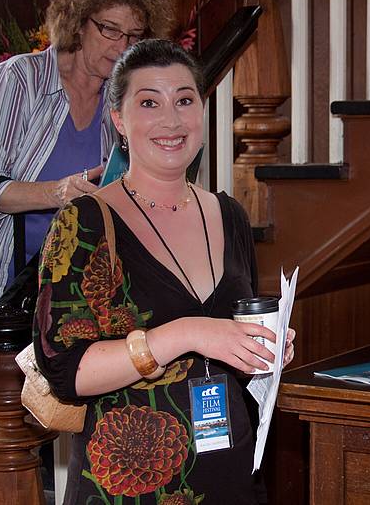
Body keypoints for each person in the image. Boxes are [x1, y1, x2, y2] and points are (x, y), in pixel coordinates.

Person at [33, 39, 296, 504]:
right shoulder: (86, 221)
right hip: (128, 485)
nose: (171, 120)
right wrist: (188, 332)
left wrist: (261, 348)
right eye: (149, 102)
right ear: (119, 120)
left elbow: (231, 337)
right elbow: (65, 371)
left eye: (185, 100)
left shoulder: (230, 214)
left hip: (231, 470)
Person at [0, 0, 175, 303]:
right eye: (110, 30)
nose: (122, 47)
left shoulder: (119, 103)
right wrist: (57, 193)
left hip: (76, 295)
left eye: (134, 36)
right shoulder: (21, 80)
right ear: (78, 23)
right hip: (2, 290)